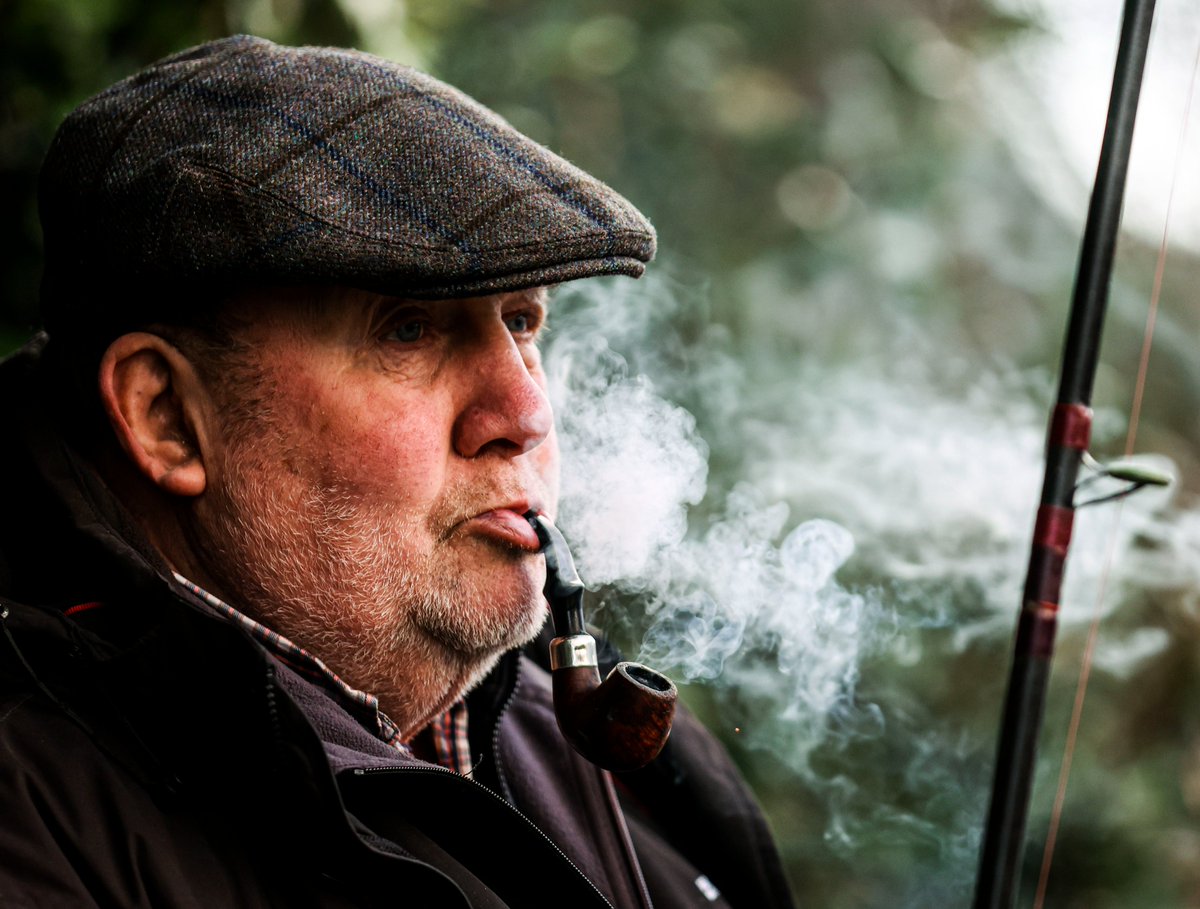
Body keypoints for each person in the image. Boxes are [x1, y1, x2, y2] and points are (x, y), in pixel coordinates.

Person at [0, 35, 795, 909]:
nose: (525, 413)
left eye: (523, 322)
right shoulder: (32, 804)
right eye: (408, 330)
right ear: (167, 419)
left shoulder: (619, 758)